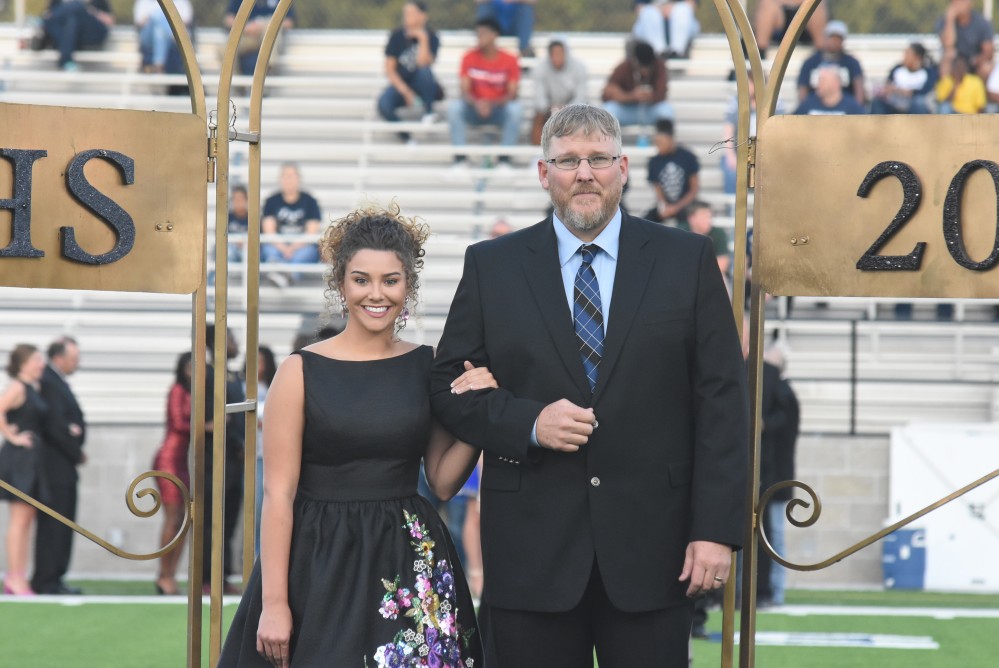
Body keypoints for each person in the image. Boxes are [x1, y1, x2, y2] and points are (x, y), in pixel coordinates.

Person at [430, 104, 749, 667]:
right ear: (543, 172)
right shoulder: (492, 265)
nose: (584, 173)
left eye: (598, 158)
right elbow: (448, 385)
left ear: (623, 168)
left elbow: (722, 400)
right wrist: (528, 422)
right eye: (569, 160)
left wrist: (716, 530)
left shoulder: (687, 259)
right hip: (531, 557)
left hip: (657, 553)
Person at [218, 203, 491, 666]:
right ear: (340, 284)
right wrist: (275, 603)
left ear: (409, 284)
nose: (376, 294)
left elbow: (443, 482)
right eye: (361, 279)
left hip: (410, 558)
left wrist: (481, 413)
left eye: (391, 280)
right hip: (318, 562)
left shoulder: (429, 365)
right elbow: (278, 495)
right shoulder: (299, 371)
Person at [31, 337, 86, 596]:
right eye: (73, 358)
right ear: (59, 357)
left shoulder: (56, 381)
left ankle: (55, 577)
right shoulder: (51, 383)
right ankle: (47, 579)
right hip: (56, 466)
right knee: (54, 523)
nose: (77, 364)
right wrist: (76, 451)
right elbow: (56, 426)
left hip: (63, 465)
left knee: (62, 524)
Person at [0, 344, 48, 596]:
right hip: (19, 460)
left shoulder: (33, 387)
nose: (41, 364)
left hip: (32, 459)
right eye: (37, 359)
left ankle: (19, 575)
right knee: (19, 519)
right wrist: (12, 437)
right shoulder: (17, 387)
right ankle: (14, 577)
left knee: (28, 517)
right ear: (24, 362)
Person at [202, 325, 246, 595]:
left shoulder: (234, 376)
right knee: (212, 520)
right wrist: (237, 442)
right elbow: (215, 419)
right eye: (231, 338)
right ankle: (208, 577)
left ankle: (223, 574)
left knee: (229, 522)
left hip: (235, 459)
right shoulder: (208, 375)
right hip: (215, 458)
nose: (236, 343)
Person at [447, 17, 522, 173]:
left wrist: (491, 104)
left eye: (483, 33)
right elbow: (464, 91)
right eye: (477, 33)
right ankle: (460, 160)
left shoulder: (510, 59)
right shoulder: (469, 57)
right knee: (454, 108)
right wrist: (478, 103)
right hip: (474, 108)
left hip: (497, 109)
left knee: (515, 109)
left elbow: (513, 93)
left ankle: (504, 160)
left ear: (494, 35)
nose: (479, 36)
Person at [151, 351, 192, 596]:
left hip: (182, 460)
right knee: (173, 517)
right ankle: (164, 574)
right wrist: (204, 423)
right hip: (169, 459)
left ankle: (171, 573)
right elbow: (177, 422)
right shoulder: (177, 389)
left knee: (183, 520)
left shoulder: (190, 391)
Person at [377, 0, 443, 136]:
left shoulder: (432, 37)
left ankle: (429, 112)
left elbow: (425, 63)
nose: (406, 17)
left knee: (424, 71)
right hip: (402, 84)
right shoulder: (396, 36)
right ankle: (406, 137)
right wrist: (405, 91)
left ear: (423, 16)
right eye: (405, 13)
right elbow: (389, 69)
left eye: (411, 13)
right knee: (383, 104)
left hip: (423, 85)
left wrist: (423, 38)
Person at [261, 163, 322, 286]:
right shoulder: (271, 201)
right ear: (280, 179)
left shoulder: (310, 201)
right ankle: (286, 276)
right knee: (269, 250)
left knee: (308, 252)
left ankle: (283, 275)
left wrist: (292, 248)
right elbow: (268, 230)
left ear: (299, 179)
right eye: (286, 176)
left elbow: (311, 231)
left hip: (302, 247)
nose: (289, 179)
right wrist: (284, 248)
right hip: (278, 246)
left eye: (292, 176)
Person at [602, 40, 674, 136]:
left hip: (649, 109)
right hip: (628, 109)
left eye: (648, 67)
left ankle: (665, 145)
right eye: (642, 66)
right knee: (609, 109)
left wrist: (649, 96)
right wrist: (631, 96)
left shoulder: (659, 66)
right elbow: (606, 94)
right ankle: (608, 145)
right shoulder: (624, 67)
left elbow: (661, 94)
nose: (645, 71)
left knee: (666, 111)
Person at [530, 36, 588, 145]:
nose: (557, 57)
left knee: (584, 117)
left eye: (560, 53)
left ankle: (577, 150)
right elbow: (539, 98)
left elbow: (581, 97)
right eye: (554, 53)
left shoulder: (579, 68)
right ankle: (537, 153)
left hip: (574, 109)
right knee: (538, 116)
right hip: (548, 109)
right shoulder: (540, 69)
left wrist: (566, 108)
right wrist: (552, 108)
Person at [643, 118, 699, 226]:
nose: (658, 147)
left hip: (686, 205)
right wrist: (665, 206)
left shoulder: (688, 157)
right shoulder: (654, 162)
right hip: (667, 205)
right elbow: (657, 189)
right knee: (645, 222)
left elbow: (694, 189)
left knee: (686, 223)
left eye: (661, 142)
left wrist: (676, 207)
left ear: (670, 139)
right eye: (656, 143)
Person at [796, 20, 866, 104]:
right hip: (815, 107)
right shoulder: (811, 62)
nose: (834, 41)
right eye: (832, 37)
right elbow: (802, 89)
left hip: (845, 109)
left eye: (838, 39)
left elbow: (859, 89)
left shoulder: (852, 63)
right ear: (825, 38)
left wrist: (855, 110)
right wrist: (805, 109)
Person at [224, 0, 295, 76]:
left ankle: (268, 66)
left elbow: (289, 22)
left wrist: (265, 25)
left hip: (270, 38)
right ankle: (235, 84)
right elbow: (228, 19)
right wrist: (246, 27)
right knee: (224, 50)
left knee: (271, 25)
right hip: (247, 36)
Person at [252, 345, 277, 557]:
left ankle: (264, 556)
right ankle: (254, 557)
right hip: (253, 456)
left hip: (272, 456)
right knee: (256, 509)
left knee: (269, 506)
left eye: (261, 362)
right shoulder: (243, 388)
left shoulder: (274, 387)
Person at [42, 0, 115, 71]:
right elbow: (48, 14)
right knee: (72, 19)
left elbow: (110, 20)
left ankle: (65, 60)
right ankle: (66, 60)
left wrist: (92, 11)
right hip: (65, 34)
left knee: (77, 6)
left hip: (90, 34)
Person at [871, 43, 937, 115]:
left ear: (917, 57)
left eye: (908, 55)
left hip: (914, 106)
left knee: (918, 102)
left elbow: (925, 92)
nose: (904, 57)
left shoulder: (928, 72)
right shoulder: (897, 69)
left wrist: (902, 91)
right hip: (895, 104)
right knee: (877, 103)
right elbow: (888, 85)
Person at [937, 0, 994, 80]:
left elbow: (988, 52)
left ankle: (980, 90)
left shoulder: (982, 23)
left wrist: (975, 60)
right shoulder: (944, 21)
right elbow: (948, 44)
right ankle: (947, 89)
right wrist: (950, 20)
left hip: (973, 62)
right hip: (954, 61)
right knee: (947, 57)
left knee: (986, 67)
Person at [134, 0, 192, 74]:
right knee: (158, 18)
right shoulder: (144, 2)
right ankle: (172, 34)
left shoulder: (181, 2)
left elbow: (186, 20)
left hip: (171, 40)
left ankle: (158, 64)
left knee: (159, 31)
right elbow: (140, 22)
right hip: (149, 38)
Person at [754, 0, 828, 57]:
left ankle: (821, 55)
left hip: (806, 17)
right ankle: (760, 54)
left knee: (816, 6)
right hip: (780, 16)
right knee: (766, 5)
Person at [632, 0, 700, 59]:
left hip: (680, 25)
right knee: (649, 12)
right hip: (652, 26)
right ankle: (660, 54)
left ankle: (676, 53)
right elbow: (639, 8)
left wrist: (671, 9)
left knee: (683, 9)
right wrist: (660, 9)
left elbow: (691, 5)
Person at [680, 201, 730, 277]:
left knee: (721, 277)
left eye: (709, 217)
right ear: (692, 219)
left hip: (710, 276)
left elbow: (723, 264)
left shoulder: (718, 232)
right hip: (687, 276)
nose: (708, 220)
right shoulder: (681, 231)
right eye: (704, 217)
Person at [795, 65, 866, 115]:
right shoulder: (808, 105)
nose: (818, 84)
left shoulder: (852, 108)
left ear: (836, 83)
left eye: (823, 81)